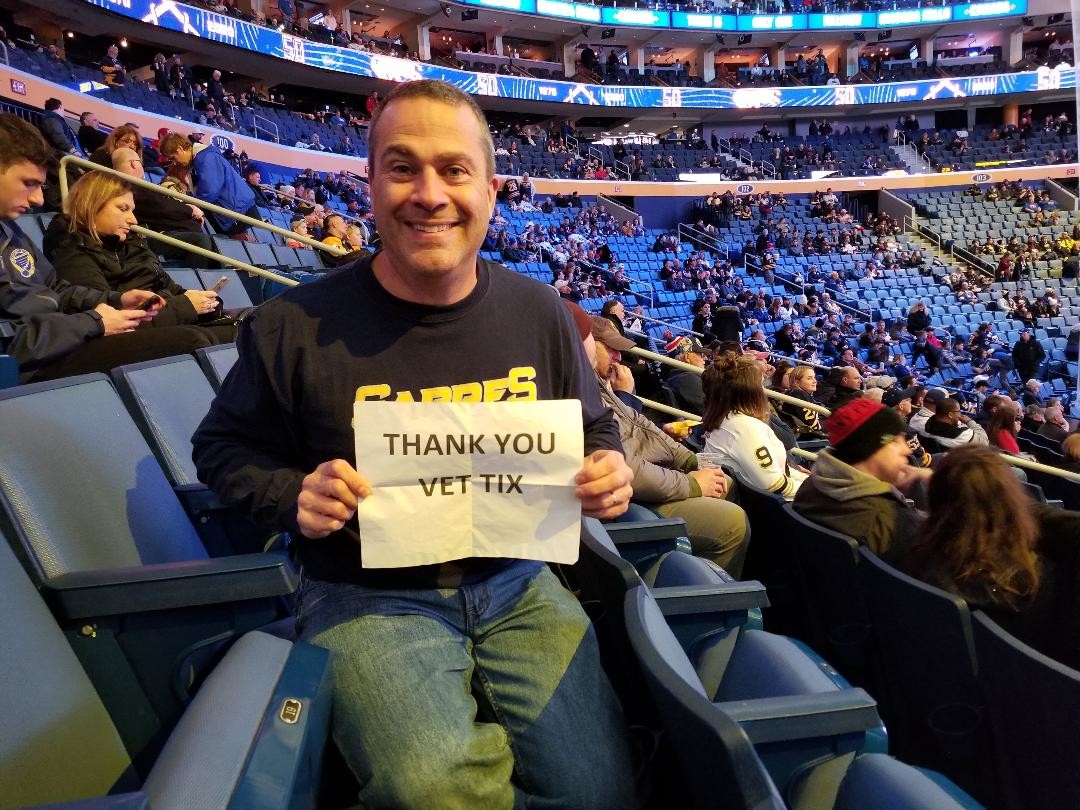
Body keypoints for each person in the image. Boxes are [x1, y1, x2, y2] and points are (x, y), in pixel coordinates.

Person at [190, 80, 636, 807]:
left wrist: (607, 466)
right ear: (370, 183)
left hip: (521, 580)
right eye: (402, 168)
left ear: (490, 191)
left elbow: (593, 426)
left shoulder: (541, 313)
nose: (430, 195)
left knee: (600, 792)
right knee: (436, 792)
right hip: (362, 594)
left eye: (454, 170)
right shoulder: (291, 325)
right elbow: (221, 450)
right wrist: (292, 495)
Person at [0, 113, 215, 382]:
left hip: (61, 340)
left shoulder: (10, 230)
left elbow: (57, 289)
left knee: (239, 326)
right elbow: (11, 343)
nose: (39, 199)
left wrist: (116, 300)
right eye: (28, 183)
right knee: (190, 341)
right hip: (29, 368)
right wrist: (93, 321)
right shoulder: (66, 237)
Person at [592, 315, 749, 573]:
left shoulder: (599, 386)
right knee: (733, 523)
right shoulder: (586, 392)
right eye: (609, 348)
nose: (618, 357)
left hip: (648, 483)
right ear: (586, 345)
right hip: (635, 501)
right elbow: (624, 463)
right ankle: (712, 590)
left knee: (725, 481)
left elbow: (642, 425)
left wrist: (689, 460)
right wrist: (691, 483)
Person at [900, 445, 1080, 669]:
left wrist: (961, 486)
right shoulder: (1042, 583)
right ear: (1010, 500)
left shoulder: (917, 552)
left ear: (937, 497)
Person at [41, 170, 233, 340]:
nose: (133, 219)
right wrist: (185, 306)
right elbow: (107, 318)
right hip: (126, 341)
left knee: (242, 322)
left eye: (132, 211)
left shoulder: (133, 242)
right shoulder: (70, 245)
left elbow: (172, 288)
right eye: (123, 208)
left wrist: (203, 302)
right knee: (202, 338)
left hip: (164, 324)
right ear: (92, 205)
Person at [793, 398, 929, 559]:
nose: (907, 450)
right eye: (894, 441)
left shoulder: (811, 486)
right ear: (867, 449)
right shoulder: (886, 518)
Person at [701, 355, 806, 500]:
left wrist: (810, 481)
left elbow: (778, 473)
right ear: (750, 391)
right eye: (761, 384)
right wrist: (819, 492)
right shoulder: (744, 428)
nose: (764, 390)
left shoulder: (729, 419)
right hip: (777, 507)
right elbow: (775, 486)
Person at [108, 147, 216, 267]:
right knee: (200, 242)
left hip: (160, 233)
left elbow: (162, 206)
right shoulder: (127, 186)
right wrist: (190, 210)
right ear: (133, 163)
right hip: (145, 239)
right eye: (140, 162)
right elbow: (161, 207)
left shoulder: (134, 186)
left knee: (217, 243)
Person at [158, 132, 258, 239]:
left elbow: (209, 191)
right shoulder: (201, 158)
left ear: (180, 149)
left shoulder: (205, 158)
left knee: (242, 244)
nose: (174, 163)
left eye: (173, 158)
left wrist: (191, 206)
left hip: (235, 213)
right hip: (234, 211)